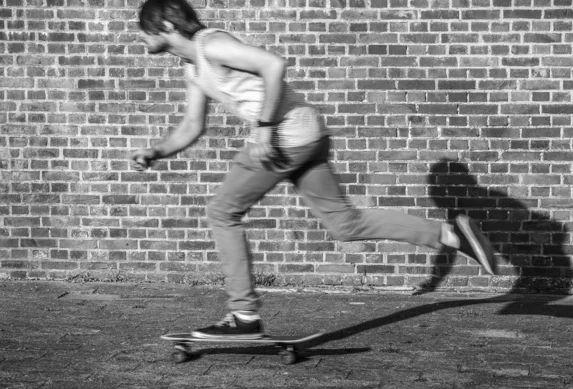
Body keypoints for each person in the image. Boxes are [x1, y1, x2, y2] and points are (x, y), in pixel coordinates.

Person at [132, 0, 497, 339]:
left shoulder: (211, 46)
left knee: (221, 212)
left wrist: (261, 127)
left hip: (284, 137)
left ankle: (243, 316)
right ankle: (451, 235)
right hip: (308, 134)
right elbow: (192, 125)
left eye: (143, 28)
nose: (140, 36)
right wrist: (157, 151)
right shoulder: (194, 67)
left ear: (165, 24)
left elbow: (273, 64)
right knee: (345, 223)